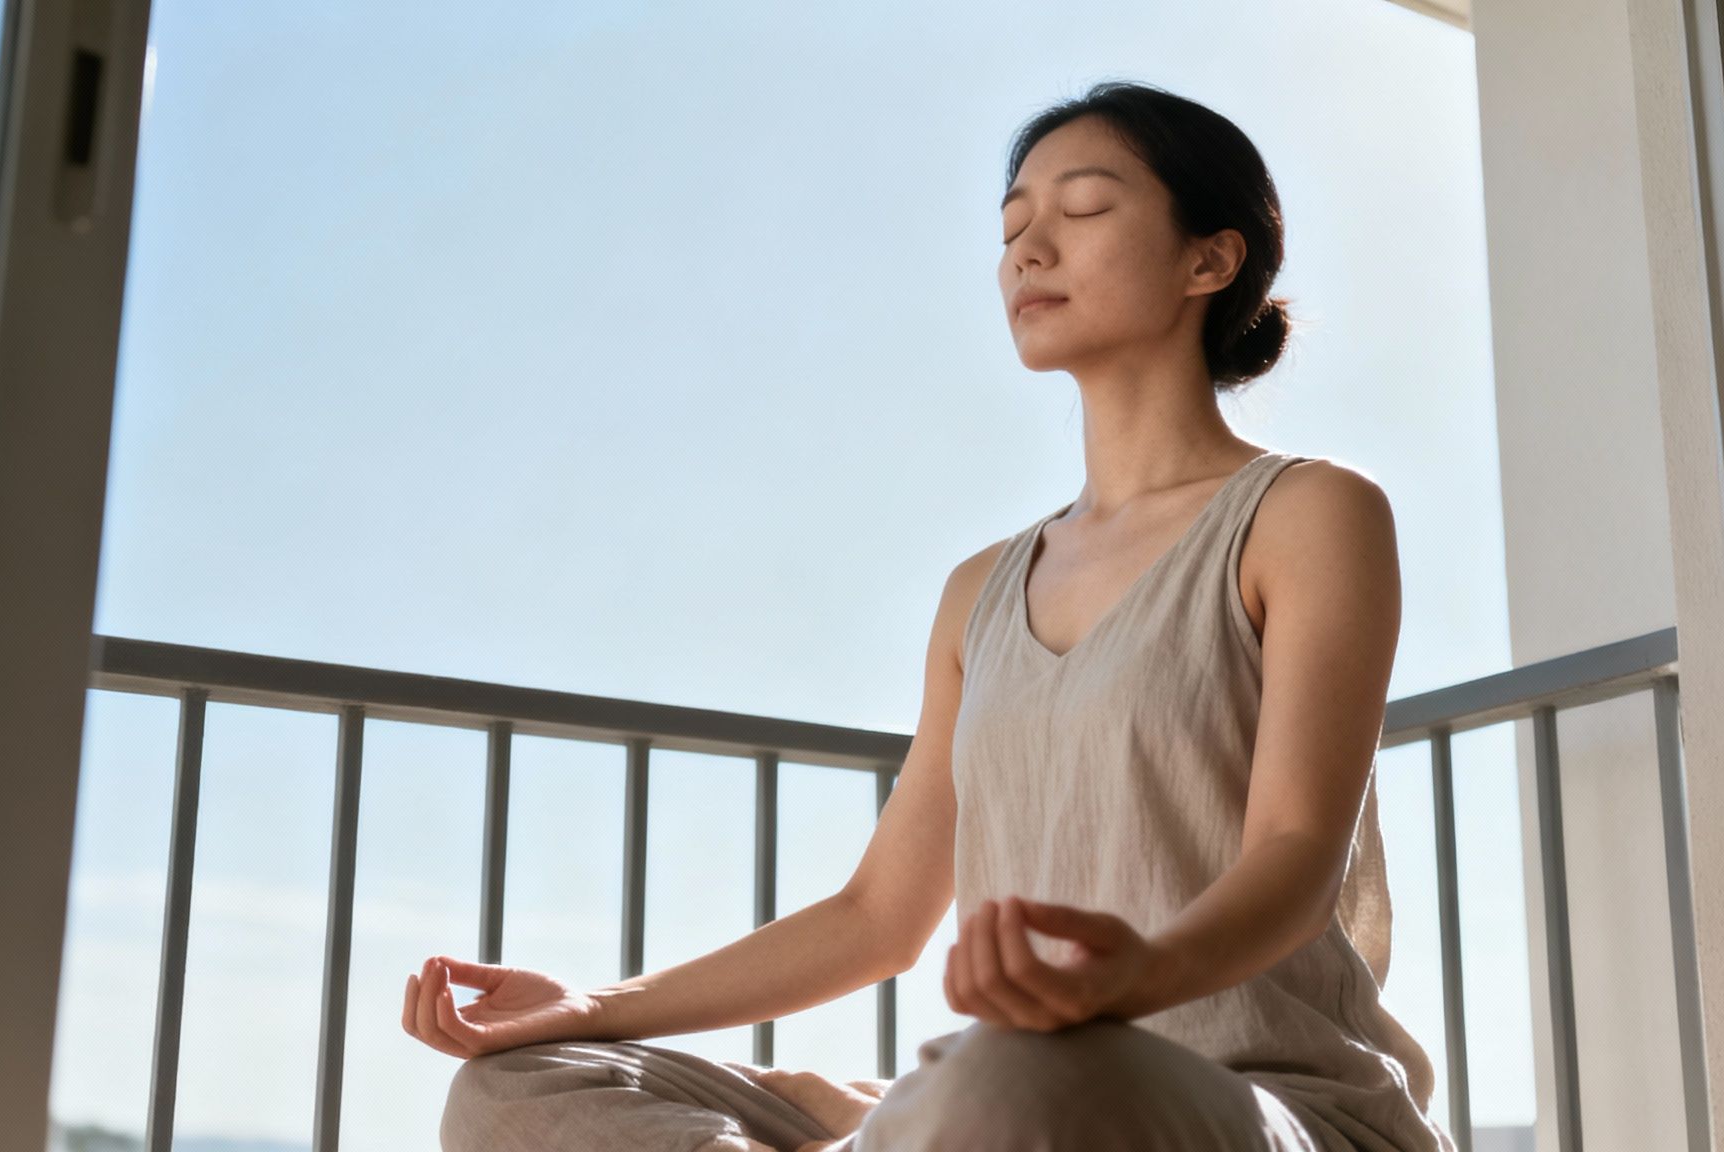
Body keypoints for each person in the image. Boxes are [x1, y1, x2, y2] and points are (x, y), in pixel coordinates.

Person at [409, 78, 1455, 1151]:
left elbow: (1292, 852)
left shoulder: (1308, 514)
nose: (1027, 251)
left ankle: (897, 1128)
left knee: (1009, 1077)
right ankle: (887, 1128)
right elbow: (877, 916)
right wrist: (590, 1008)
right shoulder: (979, 590)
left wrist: (1137, 975)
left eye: (1082, 210)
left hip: (1252, 1106)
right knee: (516, 1088)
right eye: (1011, 228)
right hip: (1009, 1095)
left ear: (1209, 260)